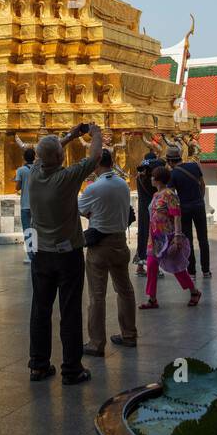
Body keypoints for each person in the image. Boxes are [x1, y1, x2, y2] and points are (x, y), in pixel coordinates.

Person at [27, 122, 102, 384]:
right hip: (67, 253)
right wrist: (96, 133)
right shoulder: (66, 178)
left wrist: (69, 136)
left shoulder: (34, 173)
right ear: (60, 157)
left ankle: (38, 365)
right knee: (69, 310)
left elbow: (46, 154)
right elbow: (93, 158)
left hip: (40, 253)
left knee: (40, 308)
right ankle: (71, 368)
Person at [78, 148, 137, 354]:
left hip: (100, 246)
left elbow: (81, 210)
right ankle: (129, 334)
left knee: (97, 296)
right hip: (120, 242)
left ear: (96, 164)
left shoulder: (93, 188)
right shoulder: (123, 184)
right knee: (125, 290)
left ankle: (96, 342)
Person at [141, 167, 201, 310]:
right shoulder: (156, 195)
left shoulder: (170, 194)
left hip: (168, 236)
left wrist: (178, 236)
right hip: (155, 238)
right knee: (151, 266)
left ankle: (194, 291)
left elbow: (177, 215)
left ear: (158, 179)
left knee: (176, 266)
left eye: (152, 177)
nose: (151, 179)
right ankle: (152, 298)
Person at [166, 143, 210, 276]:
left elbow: (172, 195)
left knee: (188, 240)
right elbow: (202, 184)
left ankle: (192, 271)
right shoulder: (194, 166)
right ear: (180, 157)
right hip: (198, 205)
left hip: (184, 208)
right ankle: (206, 270)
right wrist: (199, 199)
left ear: (169, 161)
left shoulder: (173, 174)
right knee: (203, 239)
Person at [134, 147, 162, 275]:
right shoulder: (151, 179)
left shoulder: (139, 176)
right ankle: (154, 266)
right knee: (153, 236)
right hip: (152, 209)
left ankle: (140, 266)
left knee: (143, 234)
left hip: (142, 208)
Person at [15, 146, 36, 264]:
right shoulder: (38, 169)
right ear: (34, 157)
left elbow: (17, 187)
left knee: (27, 230)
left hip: (25, 205)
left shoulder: (21, 170)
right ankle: (37, 254)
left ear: (24, 158)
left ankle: (30, 255)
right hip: (36, 205)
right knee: (36, 229)